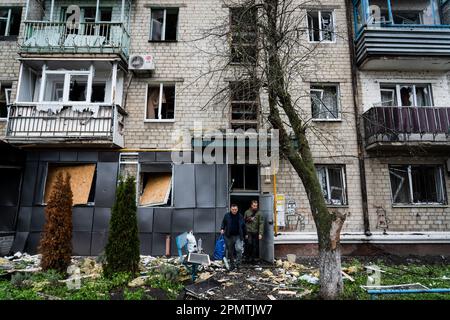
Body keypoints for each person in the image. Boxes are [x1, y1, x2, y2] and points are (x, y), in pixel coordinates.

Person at [220, 204, 246, 270]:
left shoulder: (240, 216)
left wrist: (245, 234)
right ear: (230, 209)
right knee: (230, 251)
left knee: (239, 249)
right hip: (229, 236)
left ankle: (238, 264)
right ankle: (232, 264)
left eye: (235, 209)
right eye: (233, 209)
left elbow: (243, 225)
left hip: (238, 236)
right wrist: (222, 229)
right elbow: (223, 223)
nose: (234, 211)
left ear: (237, 209)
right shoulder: (227, 215)